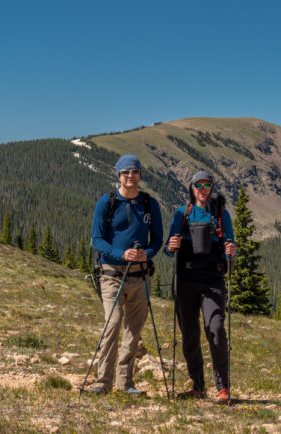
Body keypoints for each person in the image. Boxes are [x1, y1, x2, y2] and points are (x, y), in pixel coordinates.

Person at [88, 154, 163, 395]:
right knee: (113, 323)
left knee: (134, 330)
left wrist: (146, 254)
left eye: (134, 172)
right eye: (125, 172)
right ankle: (102, 381)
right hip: (111, 274)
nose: (130, 176)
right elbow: (96, 240)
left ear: (140, 175)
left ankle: (125, 383)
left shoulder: (150, 204)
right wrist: (122, 254)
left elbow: (158, 241)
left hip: (141, 276)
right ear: (118, 175)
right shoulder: (106, 202)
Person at [165, 170, 236, 404]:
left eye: (207, 185)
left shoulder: (220, 213)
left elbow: (230, 244)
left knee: (215, 329)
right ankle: (197, 386)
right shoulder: (182, 213)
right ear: (191, 188)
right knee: (189, 336)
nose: (203, 189)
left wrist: (231, 251)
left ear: (212, 188)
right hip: (185, 280)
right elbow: (169, 249)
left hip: (212, 280)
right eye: (198, 185)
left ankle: (223, 387)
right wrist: (171, 245)